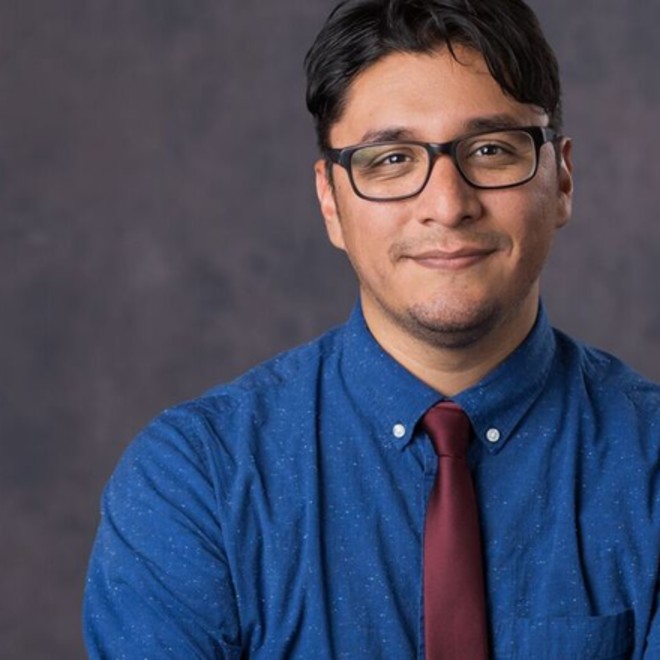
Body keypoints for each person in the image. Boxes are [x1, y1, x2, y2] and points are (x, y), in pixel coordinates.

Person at [83, 0, 660, 657]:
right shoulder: (197, 481)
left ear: (561, 180)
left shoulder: (650, 466)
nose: (447, 205)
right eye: (391, 160)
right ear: (330, 200)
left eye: (491, 150)